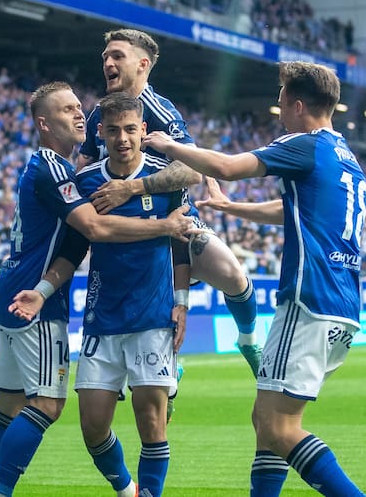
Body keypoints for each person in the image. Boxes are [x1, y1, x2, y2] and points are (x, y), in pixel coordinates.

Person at [143, 61, 366, 496]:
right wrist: (231, 209)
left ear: (299, 105)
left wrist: (170, 145)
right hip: (341, 304)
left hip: (309, 299)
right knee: (265, 424)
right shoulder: (343, 154)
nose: (278, 107)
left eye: (282, 98)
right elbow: (293, 211)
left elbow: (227, 166)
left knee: (279, 427)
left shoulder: (303, 143)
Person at [0, 83, 193, 497]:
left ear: (142, 129)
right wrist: (43, 289)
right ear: (103, 135)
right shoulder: (74, 176)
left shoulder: (159, 176)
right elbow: (87, 234)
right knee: (57, 410)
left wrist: (181, 300)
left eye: (79, 107)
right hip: (75, 312)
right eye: (111, 129)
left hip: (145, 312)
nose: (80, 115)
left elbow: (194, 185)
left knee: (8, 407)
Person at [78, 28, 261, 375]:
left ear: (143, 65)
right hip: (125, 233)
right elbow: (84, 165)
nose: (108, 62)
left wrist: (131, 189)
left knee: (233, 274)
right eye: (105, 57)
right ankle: (165, 370)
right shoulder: (97, 116)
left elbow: (192, 170)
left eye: (117, 56)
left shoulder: (161, 111)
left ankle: (249, 340)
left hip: (173, 226)